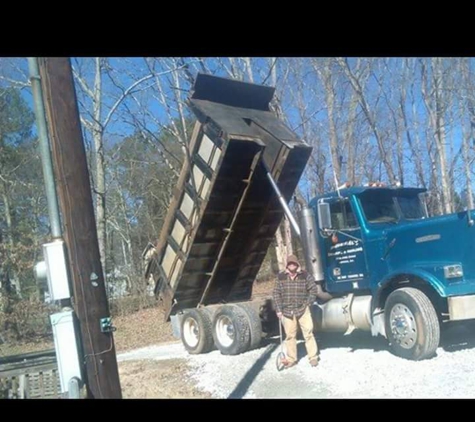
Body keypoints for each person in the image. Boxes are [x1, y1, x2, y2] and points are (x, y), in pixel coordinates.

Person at [273, 255, 320, 368]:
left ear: (297, 264)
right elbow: (276, 294)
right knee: (290, 336)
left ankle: (313, 357)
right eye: (290, 263)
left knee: (308, 333)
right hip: (287, 311)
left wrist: (308, 303)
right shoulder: (281, 277)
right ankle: (291, 359)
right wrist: (278, 310)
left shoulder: (305, 275)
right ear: (287, 265)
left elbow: (313, 289)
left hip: (302, 309)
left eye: (294, 263)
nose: (292, 265)